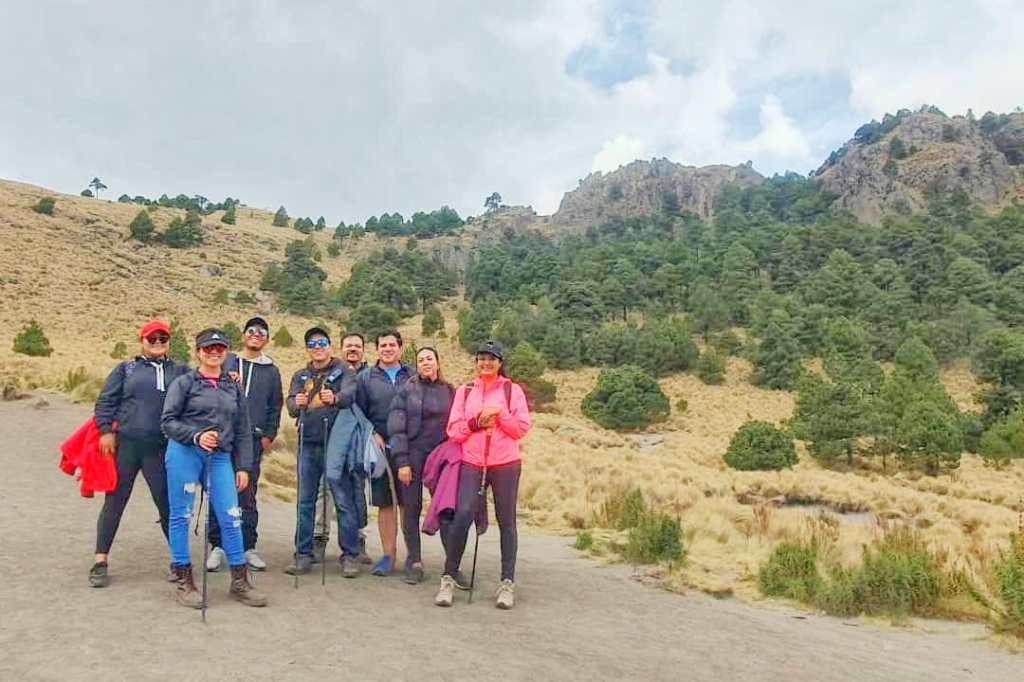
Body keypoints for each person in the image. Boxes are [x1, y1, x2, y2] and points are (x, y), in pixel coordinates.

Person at [161, 328, 266, 608]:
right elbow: (168, 421)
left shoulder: (233, 386)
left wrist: (243, 467)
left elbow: (243, 429)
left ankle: (240, 581)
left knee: (231, 516)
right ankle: (184, 580)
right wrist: (196, 435)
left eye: (219, 348)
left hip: (220, 457)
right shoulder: (184, 383)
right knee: (181, 515)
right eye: (208, 348)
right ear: (198, 352)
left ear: (226, 352)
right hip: (184, 452)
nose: (214, 352)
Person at [89, 320, 188, 588]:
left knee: (167, 503)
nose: (157, 343)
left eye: (163, 339)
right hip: (128, 445)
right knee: (115, 501)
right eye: (151, 339)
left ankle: (179, 561)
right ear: (142, 341)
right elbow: (106, 401)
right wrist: (105, 431)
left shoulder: (180, 371)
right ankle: (100, 560)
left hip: (161, 447)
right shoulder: (126, 369)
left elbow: (199, 392)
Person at [434, 340, 531, 610]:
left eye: (491, 359)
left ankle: (507, 583)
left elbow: (522, 428)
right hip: (472, 462)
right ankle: (448, 577)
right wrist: (477, 422)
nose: (486, 363)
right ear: (476, 362)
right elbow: (454, 430)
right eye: (481, 358)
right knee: (463, 514)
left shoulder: (513, 391)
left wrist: (500, 417)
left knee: (506, 520)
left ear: (500, 363)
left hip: (505, 463)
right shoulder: (465, 391)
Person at [207, 317, 282, 573]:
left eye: (262, 332)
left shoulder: (271, 370)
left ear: (267, 339)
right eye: (251, 330)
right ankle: (218, 545)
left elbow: (275, 405)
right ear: (243, 335)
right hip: (224, 437)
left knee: (247, 493)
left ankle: (248, 546)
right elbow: (208, 386)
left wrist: (268, 435)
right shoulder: (227, 361)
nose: (256, 334)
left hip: (253, 439)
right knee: (219, 490)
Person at [345, 330, 412, 576]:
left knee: (408, 503)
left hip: (408, 449)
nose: (387, 349)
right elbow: (358, 410)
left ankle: (412, 556)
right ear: (377, 349)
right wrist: (372, 432)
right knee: (385, 503)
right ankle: (388, 556)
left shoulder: (412, 376)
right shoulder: (365, 378)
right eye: (383, 345)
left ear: (400, 348)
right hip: (380, 448)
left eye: (392, 345)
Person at [386, 347, 454, 584]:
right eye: (421, 360)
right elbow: (396, 427)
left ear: (438, 362)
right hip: (413, 454)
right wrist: (402, 461)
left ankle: (452, 565)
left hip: (441, 457)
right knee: (411, 508)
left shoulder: (450, 390)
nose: (425, 363)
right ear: (417, 365)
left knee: (446, 509)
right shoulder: (407, 390)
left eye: (429, 359)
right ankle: (414, 561)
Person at [284, 327, 348, 575]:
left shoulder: (343, 372)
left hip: (336, 443)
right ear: (307, 349)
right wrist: (296, 403)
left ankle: (350, 554)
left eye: (322, 343)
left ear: (330, 346)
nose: (317, 347)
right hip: (308, 443)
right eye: (312, 344)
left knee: (342, 500)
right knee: (305, 501)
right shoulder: (300, 375)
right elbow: (291, 405)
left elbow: (351, 394)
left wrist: (336, 398)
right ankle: (302, 553)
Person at [313, 332, 368, 564]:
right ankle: (319, 537)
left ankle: (357, 539)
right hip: (329, 437)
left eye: (357, 346)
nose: (352, 349)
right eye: (348, 345)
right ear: (341, 348)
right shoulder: (332, 373)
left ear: (363, 350)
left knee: (356, 490)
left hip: (357, 441)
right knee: (324, 488)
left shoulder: (369, 376)